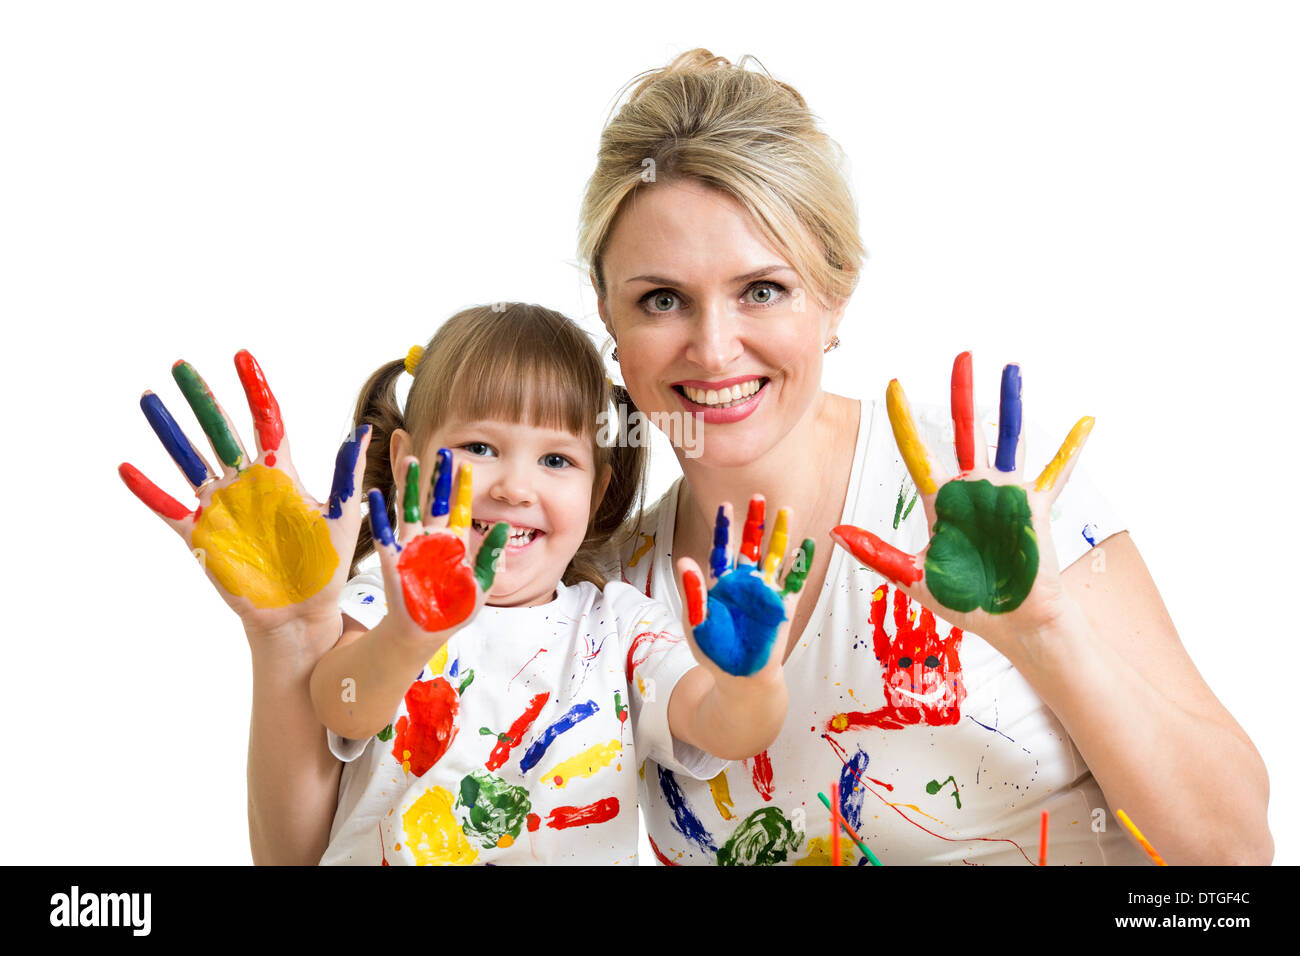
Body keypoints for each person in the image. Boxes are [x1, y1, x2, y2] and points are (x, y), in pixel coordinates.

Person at [580, 49, 1272, 865]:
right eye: (662, 300)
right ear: (609, 318)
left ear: (836, 291)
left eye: (762, 290)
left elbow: (1233, 854)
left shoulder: (987, 491)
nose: (715, 346)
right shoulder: (610, 601)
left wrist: (1045, 631)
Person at [120, 303, 810, 864]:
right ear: (407, 458)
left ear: (599, 491)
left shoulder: (617, 626)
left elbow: (725, 728)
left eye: (555, 459)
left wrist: (751, 679)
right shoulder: (379, 599)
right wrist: (409, 632)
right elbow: (342, 707)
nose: (514, 486)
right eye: (480, 449)